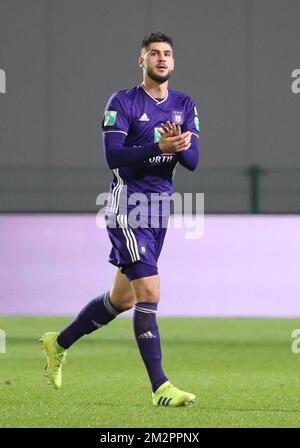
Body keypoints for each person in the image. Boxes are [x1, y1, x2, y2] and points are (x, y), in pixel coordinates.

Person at [40, 31, 200, 407]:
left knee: (121, 299)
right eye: (154, 54)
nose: (162, 59)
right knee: (150, 292)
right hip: (129, 206)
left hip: (160, 210)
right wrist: (159, 146)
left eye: (167, 54)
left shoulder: (184, 104)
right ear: (141, 61)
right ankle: (161, 387)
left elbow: (193, 162)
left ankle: (57, 343)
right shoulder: (123, 102)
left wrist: (179, 147)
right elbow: (114, 156)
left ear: (173, 63)